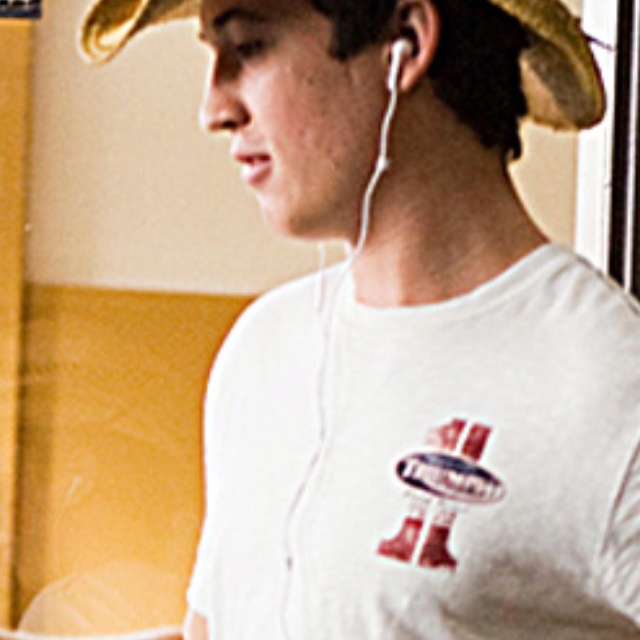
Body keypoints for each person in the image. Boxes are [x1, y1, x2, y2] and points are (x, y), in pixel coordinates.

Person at [79, 0, 640, 638]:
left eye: (251, 48)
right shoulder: (262, 351)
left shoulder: (607, 387)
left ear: (405, 41)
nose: (215, 110)